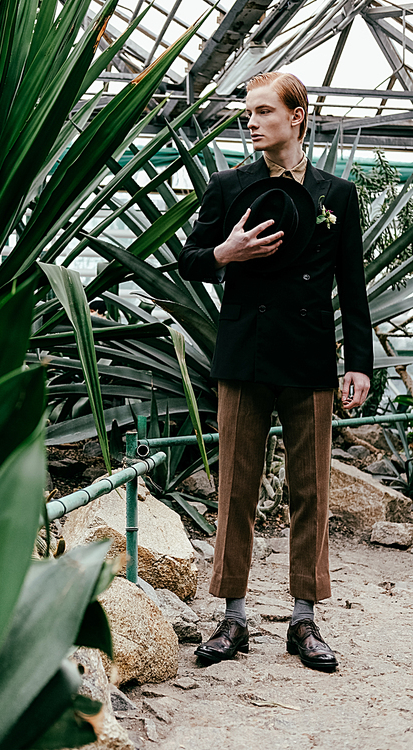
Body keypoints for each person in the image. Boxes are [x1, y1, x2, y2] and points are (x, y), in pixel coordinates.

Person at [178, 71, 373, 673]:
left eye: (264, 112)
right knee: (234, 487)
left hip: (309, 358)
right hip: (243, 355)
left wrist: (359, 365)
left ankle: (304, 620)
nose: (253, 122)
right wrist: (223, 254)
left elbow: (353, 289)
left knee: (310, 490)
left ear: (297, 116)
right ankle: (232, 616)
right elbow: (186, 262)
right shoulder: (228, 185)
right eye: (248, 113)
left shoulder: (337, 194)